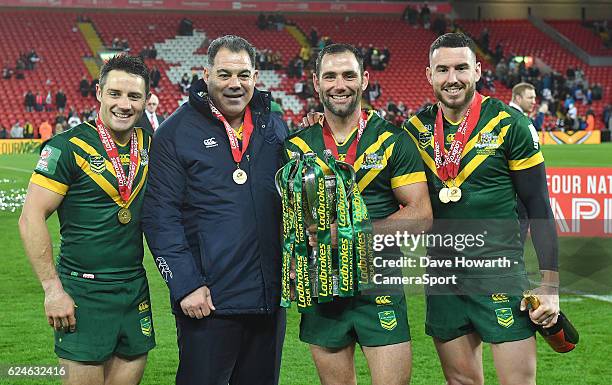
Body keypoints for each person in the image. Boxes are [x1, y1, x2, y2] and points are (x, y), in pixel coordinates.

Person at [402, 33, 560, 385]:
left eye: (461, 68)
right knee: (460, 381)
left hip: (499, 271)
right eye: (442, 69)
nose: (452, 78)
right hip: (443, 276)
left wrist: (550, 285)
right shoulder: (415, 130)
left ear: (477, 70)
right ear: (429, 75)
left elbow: (538, 205)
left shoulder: (509, 124)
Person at [142, 35, 287, 385]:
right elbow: (160, 215)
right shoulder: (176, 132)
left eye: (243, 75)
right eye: (224, 74)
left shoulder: (273, 126)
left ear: (256, 77)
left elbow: (290, 206)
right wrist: (185, 284)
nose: (234, 84)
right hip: (208, 302)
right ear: (205, 75)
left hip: (269, 300)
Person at [292, 43, 432, 385]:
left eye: (348, 75)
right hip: (322, 286)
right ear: (316, 82)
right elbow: (289, 220)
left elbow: (422, 214)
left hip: (379, 284)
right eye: (330, 76)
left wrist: (351, 232)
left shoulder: (392, 141)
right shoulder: (296, 146)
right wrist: (293, 267)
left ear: (365, 79)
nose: (340, 84)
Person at [18, 54, 155, 385]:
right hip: (82, 291)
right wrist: (53, 289)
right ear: (98, 92)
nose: (124, 104)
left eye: (134, 96)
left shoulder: (150, 143)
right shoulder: (68, 147)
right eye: (115, 94)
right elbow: (31, 216)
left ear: (145, 100)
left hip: (134, 288)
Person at [509, 82, 537, 244]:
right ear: (518, 98)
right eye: (530, 97)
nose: (534, 101)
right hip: (517, 188)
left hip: (507, 188)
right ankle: (513, 266)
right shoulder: (519, 120)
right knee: (519, 227)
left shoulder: (504, 116)